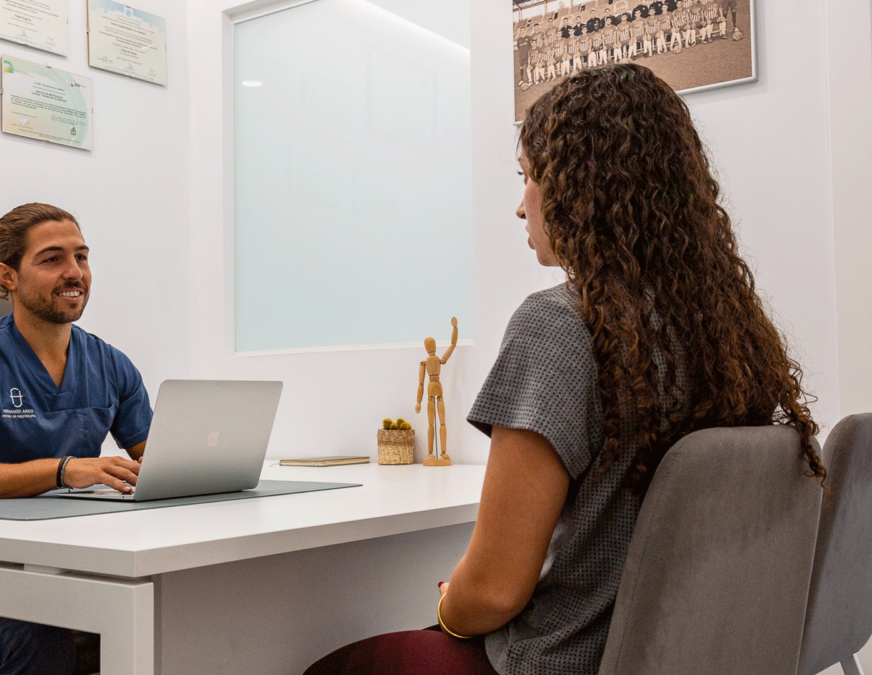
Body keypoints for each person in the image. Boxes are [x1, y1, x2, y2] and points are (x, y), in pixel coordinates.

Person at [303, 63, 826, 675]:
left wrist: (451, 609)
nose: (521, 207)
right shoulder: (721, 331)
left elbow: (495, 590)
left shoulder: (558, 325)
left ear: (580, 190)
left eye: (529, 179)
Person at [0, 203, 154, 675]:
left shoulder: (110, 364)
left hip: (65, 568)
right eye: (52, 259)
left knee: (168, 609)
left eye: (81, 256)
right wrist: (63, 470)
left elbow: (161, 463)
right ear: (8, 276)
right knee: (42, 638)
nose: (74, 272)